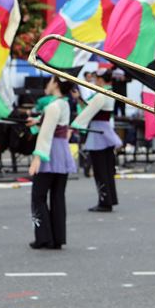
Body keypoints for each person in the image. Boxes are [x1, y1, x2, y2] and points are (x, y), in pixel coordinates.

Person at [28, 77, 78, 249]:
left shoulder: (53, 106)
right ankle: (57, 238)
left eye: (50, 80)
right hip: (62, 151)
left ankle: (43, 237)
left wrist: (37, 157)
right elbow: (54, 125)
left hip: (49, 152)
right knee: (57, 196)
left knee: (38, 196)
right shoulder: (63, 103)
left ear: (56, 84)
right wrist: (37, 122)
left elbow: (46, 133)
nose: (47, 84)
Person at [71, 69, 122, 212]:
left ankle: (105, 201)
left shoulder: (101, 95)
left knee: (101, 170)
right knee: (106, 169)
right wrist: (80, 99)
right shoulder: (108, 92)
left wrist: (74, 125)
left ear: (100, 79)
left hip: (98, 133)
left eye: (96, 78)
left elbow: (89, 111)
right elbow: (91, 108)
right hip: (104, 131)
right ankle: (109, 199)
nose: (94, 81)